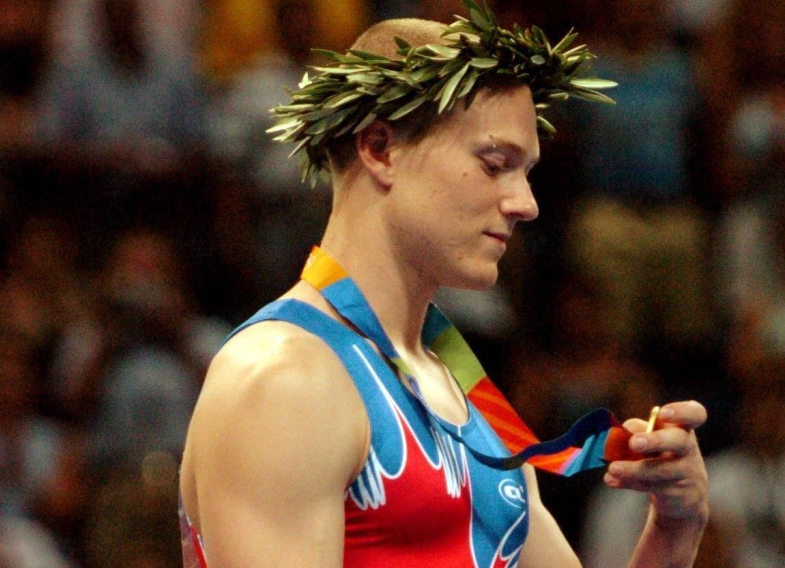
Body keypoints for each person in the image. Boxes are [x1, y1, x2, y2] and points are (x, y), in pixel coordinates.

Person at [179, 5, 709, 567]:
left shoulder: (467, 390)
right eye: (494, 163)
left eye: (525, 173)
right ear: (380, 148)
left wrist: (675, 531)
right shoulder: (286, 381)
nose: (525, 204)